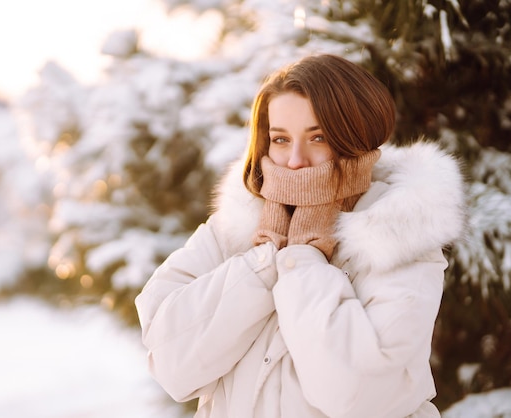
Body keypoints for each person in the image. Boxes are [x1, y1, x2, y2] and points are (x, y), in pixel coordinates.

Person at [135, 54, 464, 418]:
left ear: (357, 138)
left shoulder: (397, 236)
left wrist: (302, 259)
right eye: (280, 139)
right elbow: (171, 364)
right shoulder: (236, 227)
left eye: (318, 137)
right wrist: (265, 259)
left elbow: (360, 396)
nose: (294, 161)